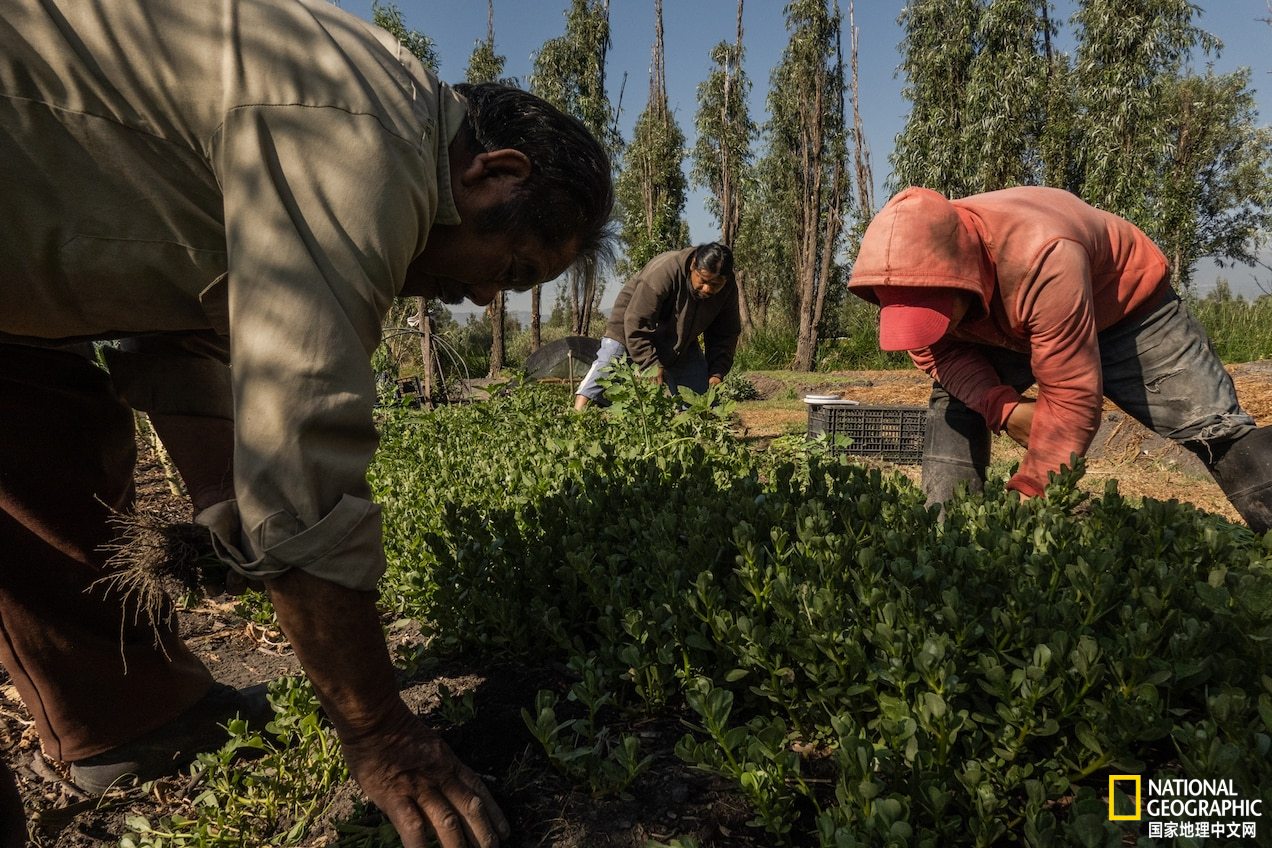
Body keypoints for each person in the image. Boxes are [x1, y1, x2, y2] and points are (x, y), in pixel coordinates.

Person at [0, 1, 613, 846]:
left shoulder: (351, 108)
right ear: (493, 173)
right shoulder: (364, 139)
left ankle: (132, 720)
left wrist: (222, 492)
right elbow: (302, 445)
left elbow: (184, 305)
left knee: (47, 434)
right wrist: (378, 732)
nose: (482, 298)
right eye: (510, 271)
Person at [847, 186, 1271, 533]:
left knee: (1213, 427)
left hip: (1128, 309)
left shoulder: (1041, 253)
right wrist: (1002, 406)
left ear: (965, 275)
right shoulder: (907, 270)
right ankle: (944, 534)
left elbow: (1071, 396)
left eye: (937, 311)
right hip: (1005, 317)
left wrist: (1029, 491)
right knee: (956, 403)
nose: (931, 325)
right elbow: (934, 350)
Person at [573, 243, 741, 409]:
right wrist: (650, 363)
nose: (707, 288)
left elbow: (725, 333)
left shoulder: (727, 289)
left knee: (702, 402)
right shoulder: (665, 271)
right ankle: (578, 418)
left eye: (715, 284)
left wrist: (717, 371)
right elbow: (637, 321)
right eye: (703, 280)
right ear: (693, 265)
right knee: (608, 364)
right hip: (629, 326)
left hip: (678, 340)